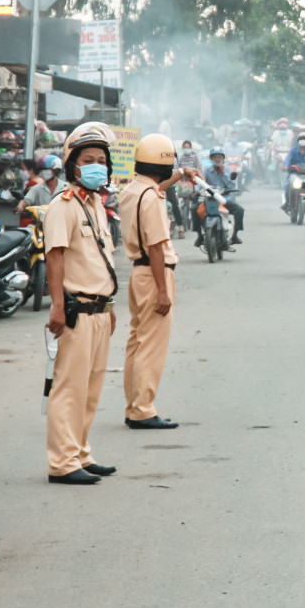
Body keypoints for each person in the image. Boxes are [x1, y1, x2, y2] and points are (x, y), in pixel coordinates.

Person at [42, 125, 122, 484]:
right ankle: (62, 463)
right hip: (76, 311)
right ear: (72, 165)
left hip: (100, 310)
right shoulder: (64, 206)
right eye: (88, 160)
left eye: (102, 161)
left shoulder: (96, 205)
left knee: (90, 389)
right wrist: (57, 306)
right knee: (69, 388)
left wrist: (110, 307)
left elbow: (99, 260)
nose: (96, 167)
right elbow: (54, 257)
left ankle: (81, 453)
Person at [122, 132, 186, 431]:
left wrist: (180, 176)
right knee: (151, 346)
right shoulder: (153, 200)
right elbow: (157, 247)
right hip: (154, 274)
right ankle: (143, 410)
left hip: (138, 273)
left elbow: (154, 189)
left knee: (137, 342)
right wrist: (163, 291)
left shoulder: (132, 190)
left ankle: (134, 406)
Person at [199, 148, 246, 248]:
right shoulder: (206, 171)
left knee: (240, 210)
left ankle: (234, 235)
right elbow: (200, 183)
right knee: (195, 209)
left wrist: (223, 173)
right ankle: (199, 236)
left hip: (224, 200)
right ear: (211, 158)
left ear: (222, 158)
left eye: (219, 157)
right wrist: (196, 190)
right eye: (215, 157)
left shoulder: (227, 170)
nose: (217, 159)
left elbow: (231, 185)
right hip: (210, 200)